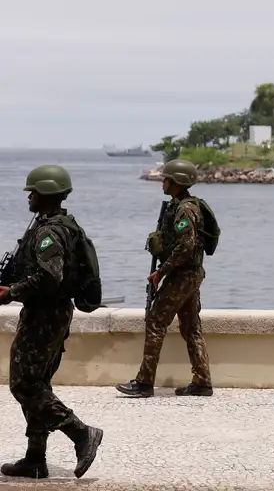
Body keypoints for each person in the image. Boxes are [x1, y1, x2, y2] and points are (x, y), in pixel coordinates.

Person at [0, 165, 103, 479]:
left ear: (44, 194)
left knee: (24, 384)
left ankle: (81, 433)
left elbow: (50, 276)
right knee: (38, 384)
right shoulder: (58, 224)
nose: (29, 197)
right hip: (52, 314)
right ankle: (35, 459)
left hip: (45, 316)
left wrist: (11, 291)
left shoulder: (49, 232)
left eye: (32, 191)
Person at [115, 158, 212, 397]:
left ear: (177, 182)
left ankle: (144, 382)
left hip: (182, 275)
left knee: (156, 321)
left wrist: (161, 271)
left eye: (166, 180)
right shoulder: (182, 205)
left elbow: (185, 247)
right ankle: (202, 381)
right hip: (190, 274)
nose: (163, 183)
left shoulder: (185, 209)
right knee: (191, 328)